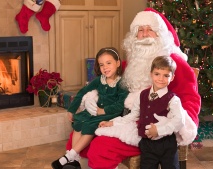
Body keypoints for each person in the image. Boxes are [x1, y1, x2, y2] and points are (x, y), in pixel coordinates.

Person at [66, 7, 201, 169]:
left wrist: (176, 126)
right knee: (80, 131)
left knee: (100, 147)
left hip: (153, 128)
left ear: (160, 34)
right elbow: (107, 80)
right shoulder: (131, 62)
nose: (144, 34)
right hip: (124, 117)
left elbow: (190, 100)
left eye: (150, 30)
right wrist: (92, 98)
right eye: (140, 30)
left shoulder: (174, 64)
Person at [99, 55, 186, 169]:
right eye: (157, 74)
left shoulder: (173, 99)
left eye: (166, 75)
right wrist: (113, 123)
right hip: (147, 144)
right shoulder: (143, 95)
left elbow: (179, 121)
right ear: (151, 74)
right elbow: (133, 115)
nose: (161, 79)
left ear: (172, 77)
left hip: (167, 144)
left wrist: (159, 130)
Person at [51, 47, 129, 169]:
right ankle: (75, 159)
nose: (105, 67)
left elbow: (120, 104)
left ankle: (70, 155)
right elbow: (82, 92)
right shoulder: (99, 80)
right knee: (79, 120)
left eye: (109, 63)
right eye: (101, 64)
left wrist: (103, 111)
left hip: (110, 113)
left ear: (118, 63)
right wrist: (72, 109)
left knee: (90, 125)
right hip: (96, 110)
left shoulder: (122, 83)